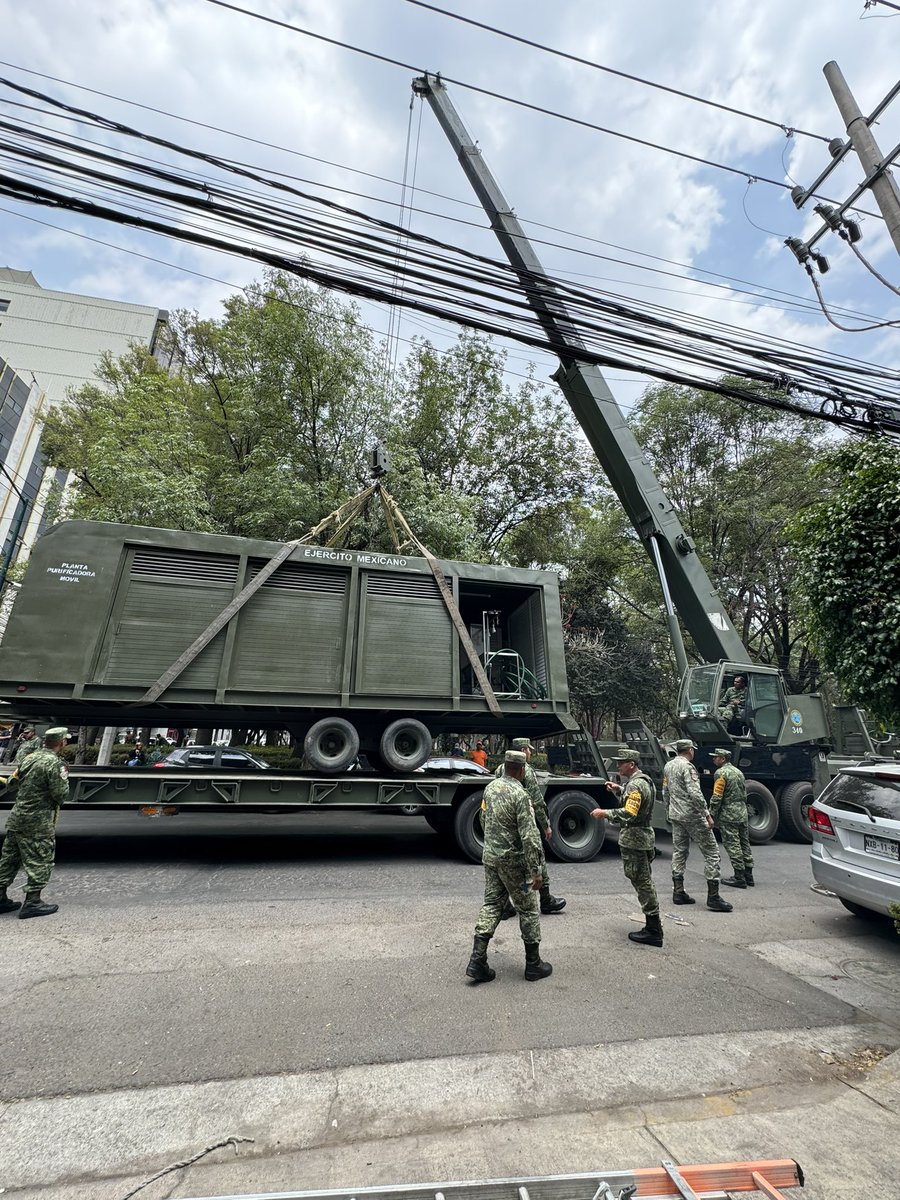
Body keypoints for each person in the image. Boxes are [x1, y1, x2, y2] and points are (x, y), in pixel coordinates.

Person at [466, 749, 552, 984]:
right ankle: (533, 965)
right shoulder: (521, 795)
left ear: (504, 766)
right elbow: (530, 836)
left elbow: (483, 819)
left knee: (492, 904)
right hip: (514, 863)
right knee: (528, 910)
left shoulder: (490, 788)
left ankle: (477, 960)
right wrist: (536, 871)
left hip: (491, 857)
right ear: (522, 770)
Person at [590, 747, 662, 946]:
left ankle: (654, 930)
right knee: (643, 880)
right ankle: (652, 926)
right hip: (642, 838)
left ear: (631, 764)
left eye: (621, 762)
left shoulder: (636, 786)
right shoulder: (640, 782)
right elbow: (635, 803)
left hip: (636, 839)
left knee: (643, 882)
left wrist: (604, 813)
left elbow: (630, 813)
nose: (618, 765)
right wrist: (619, 790)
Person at [0, 726, 70, 919]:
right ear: (62, 742)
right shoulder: (55, 764)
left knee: (9, 859)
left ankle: (0, 898)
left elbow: (12, 783)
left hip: (18, 817)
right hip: (38, 821)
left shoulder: (29, 758)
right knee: (40, 859)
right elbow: (60, 794)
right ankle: (32, 902)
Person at [497, 737, 565, 918]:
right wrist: (546, 826)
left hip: (505, 826)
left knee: (506, 866)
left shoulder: (500, 769)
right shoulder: (525, 771)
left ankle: (505, 905)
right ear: (523, 750)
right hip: (524, 823)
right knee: (538, 860)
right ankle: (546, 900)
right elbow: (537, 800)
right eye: (529, 749)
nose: (531, 753)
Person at [663, 738, 733, 913]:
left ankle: (678, 892)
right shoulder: (688, 767)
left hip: (676, 814)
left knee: (680, 851)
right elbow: (695, 793)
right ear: (689, 750)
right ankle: (713, 897)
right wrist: (707, 815)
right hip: (692, 815)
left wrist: (668, 810)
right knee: (712, 852)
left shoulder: (668, 766)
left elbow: (665, 791)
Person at [710, 748, 754, 889]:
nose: (714, 759)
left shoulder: (721, 773)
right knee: (744, 842)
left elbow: (717, 796)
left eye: (716, 757)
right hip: (741, 811)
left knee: (732, 844)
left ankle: (739, 876)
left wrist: (711, 814)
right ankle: (749, 874)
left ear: (722, 759)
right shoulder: (738, 772)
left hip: (729, 813)